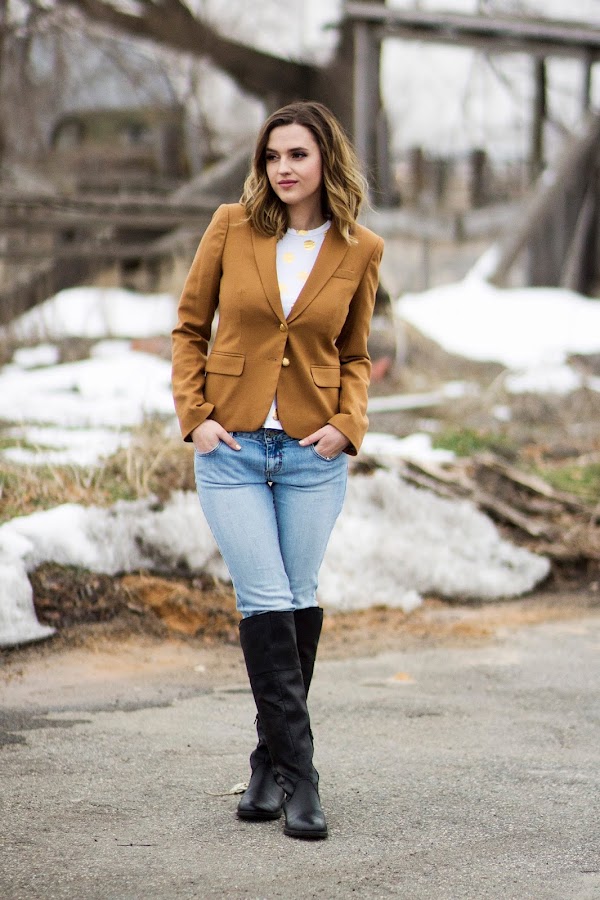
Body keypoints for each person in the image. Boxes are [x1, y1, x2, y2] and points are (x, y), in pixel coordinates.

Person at [171, 100, 383, 840]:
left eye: (298, 154)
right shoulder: (232, 226)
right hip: (229, 447)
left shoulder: (360, 248)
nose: (283, 168)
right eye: (272, 155)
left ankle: (269, 768)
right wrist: (195, 416)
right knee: (265, 599)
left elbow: (355, 354)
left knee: (295, 599)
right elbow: (189, 328)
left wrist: (347, 425)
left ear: (326, 160)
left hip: (310, 451)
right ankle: (304, 778)